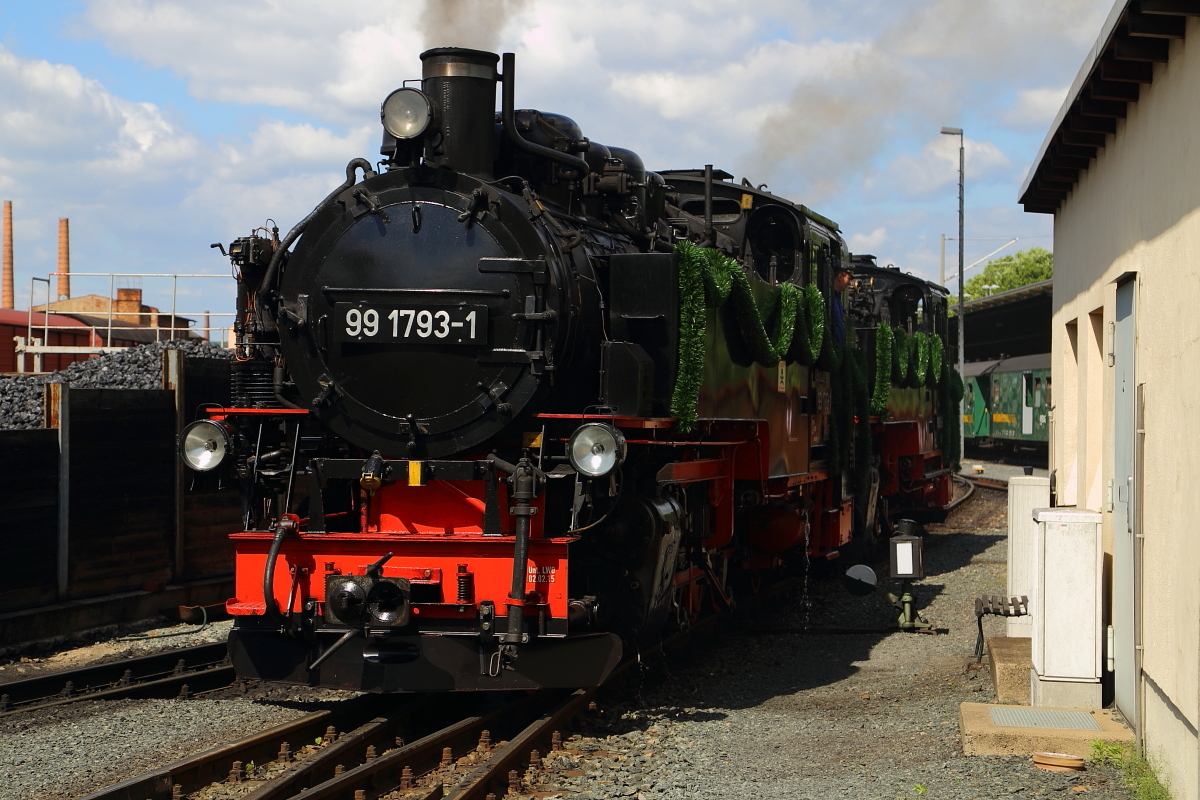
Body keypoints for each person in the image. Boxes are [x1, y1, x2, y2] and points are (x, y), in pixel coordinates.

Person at [831, 266, 852, 347]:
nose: (849, 283)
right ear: (840, 277)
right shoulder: (831, 298)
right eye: (848, 278)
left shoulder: (837, 299)